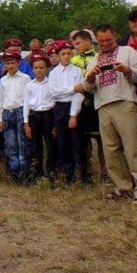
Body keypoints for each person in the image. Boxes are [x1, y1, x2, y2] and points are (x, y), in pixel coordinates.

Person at [83, 24, 137, 203]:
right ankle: (123, 187)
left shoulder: (127, 52)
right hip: (103, 105)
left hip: (125, 102)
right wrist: (89, 78)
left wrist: (127, 71)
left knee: (133, 148)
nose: (105, 44)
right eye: (101, 41)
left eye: (109, 40)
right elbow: (88, 88)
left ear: (115, 36)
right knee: (111, 150)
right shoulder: (94, 60)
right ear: (97, 40)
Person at [71, 29, 105, 183]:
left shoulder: (98, 57)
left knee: (102, 140)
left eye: (78, 43)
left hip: (96, 102)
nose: (76, 46)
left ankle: (105, 172)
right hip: (80, 104)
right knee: (82, 139)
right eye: (74, 43)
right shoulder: (73, 60)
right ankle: (86, 172)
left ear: (88, 42)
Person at [48, 41, 84, 183]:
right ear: (58, 56)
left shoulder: (77, 71)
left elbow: (79, 93)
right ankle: (67, 175)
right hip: (59, 109)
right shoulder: (53, 73)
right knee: (62, 143)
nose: (66, 56)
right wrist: (71, 89)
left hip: (74, 108)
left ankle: (80, 174)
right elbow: (53, 93)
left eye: (69, 53)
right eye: (63, 54)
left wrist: (73, 115)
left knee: (77, 142)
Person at [0, 51, 32, 183]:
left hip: (20, 112)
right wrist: (0, 118)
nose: (10, 65)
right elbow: (1, 99)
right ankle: (14, 173)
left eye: (13, 63)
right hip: (7, 113)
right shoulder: (3, 80)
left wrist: (26, 119)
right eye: (8, 63)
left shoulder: (25, 78)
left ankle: (25, 173)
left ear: (19, 63)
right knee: (10, 144)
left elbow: (27, 100)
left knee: (22, 143)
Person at [23, 54, 56, 180]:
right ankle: (37, 173)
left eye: (42, 67)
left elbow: (55, 101)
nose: (39, 70)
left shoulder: (51, 84)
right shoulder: (29, 85)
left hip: (48, 116)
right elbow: (26, 104)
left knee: (50, 145)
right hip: (34, 116)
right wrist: (26, 123)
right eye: (36, 68)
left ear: (47, 68)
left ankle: (51, 172)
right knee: (36, 146)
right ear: (32, 69)